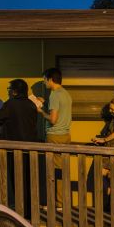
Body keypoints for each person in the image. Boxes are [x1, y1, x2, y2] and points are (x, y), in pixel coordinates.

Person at [0, 79, 38, 211]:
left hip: (14, 147)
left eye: (9, 89)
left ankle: (19, 208)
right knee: (28, 178)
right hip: (31, 147)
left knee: (16, 178)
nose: (9, 92)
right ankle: (29, 208)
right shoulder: (31, 104)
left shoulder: (10, 104)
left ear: (15, 91)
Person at [37, 68, 72, 210]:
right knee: (62, 170)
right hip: (65, 135)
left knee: (53, 171)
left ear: (50, 79)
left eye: (44, 79)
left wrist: (41, 112)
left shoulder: (54, 95)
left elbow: (52, 119)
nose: (44, 82)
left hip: (54, 136)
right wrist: (45, 103)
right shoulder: (66, 94)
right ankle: (61, 202)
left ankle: (58, 204)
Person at [86, 95, 114, 206]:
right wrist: (99, 139)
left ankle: (109, 201)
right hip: (109, 148)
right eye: (109, 108)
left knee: (104, 175)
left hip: (112, 149)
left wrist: (104, 139)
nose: (110, 111)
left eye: (112, 109)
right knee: (108, 176)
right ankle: (109, 203)